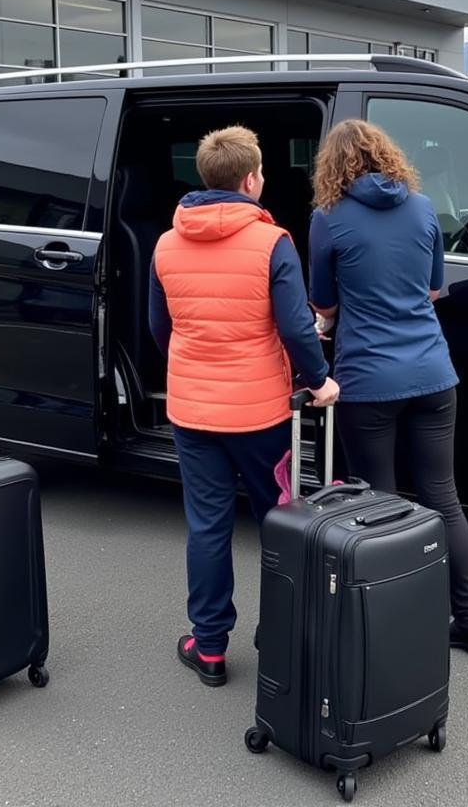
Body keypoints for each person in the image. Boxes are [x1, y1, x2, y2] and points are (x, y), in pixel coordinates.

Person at [149, 125, 339, 686]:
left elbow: (160, 328)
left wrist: (194, 363)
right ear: (252, 179)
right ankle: (279, 633)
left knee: (206, 527)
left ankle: (208, 647)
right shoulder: (272, 242)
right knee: (279, 521)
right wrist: (320, 380)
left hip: (193, 412)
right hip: (260, 415)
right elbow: (297, 329)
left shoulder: (166, 243)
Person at [308, 119, 468, 658]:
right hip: (435, 375)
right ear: (387, 156)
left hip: (369, 380)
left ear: (333, 166)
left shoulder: (328, 218)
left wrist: (349, 304)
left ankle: (390, 629)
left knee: (378, 506)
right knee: (443, 497)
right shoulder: (422, 206)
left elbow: (323, 303)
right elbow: (434, 288)